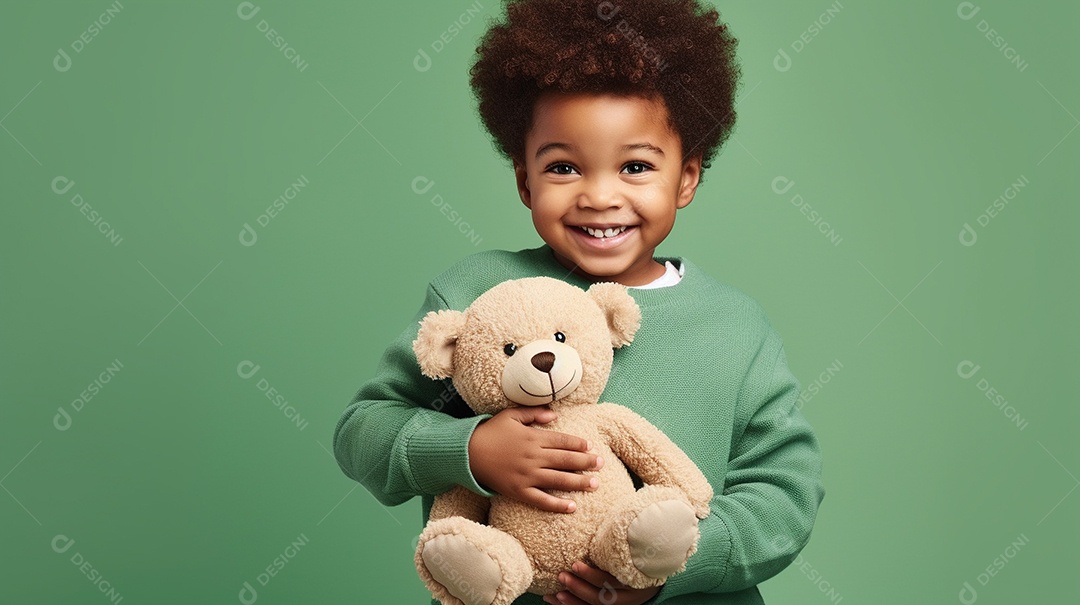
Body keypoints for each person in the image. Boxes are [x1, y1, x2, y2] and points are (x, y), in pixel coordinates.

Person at [333, 1, 825, 603]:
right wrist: (471, 450)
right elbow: (363, 432)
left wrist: (673, 564)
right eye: (564, 166)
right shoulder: (476, 294)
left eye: (636, 166)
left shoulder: (735, 326)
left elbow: (785, 493)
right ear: (525, 181)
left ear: (687, 178)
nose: (599, 196)